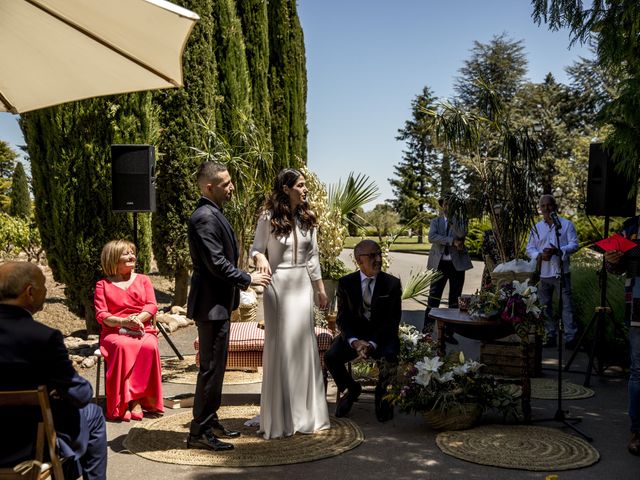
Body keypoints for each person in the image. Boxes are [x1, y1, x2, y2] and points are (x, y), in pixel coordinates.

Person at [187, 161, 271, 451]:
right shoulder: (204, 217)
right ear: (209, 186)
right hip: (210, 306)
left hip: (219, 304)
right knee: (210, 369)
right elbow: (216, 263)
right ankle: (199, 432)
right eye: (226, 183)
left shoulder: (213, 213)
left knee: (217, 367)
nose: (232, 186)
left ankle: (209, 421)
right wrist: (249, 279)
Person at [0, 262, 107, 480]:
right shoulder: (42, 337)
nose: (46, 292)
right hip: (29, 444)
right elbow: (80, 395)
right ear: (30, 292)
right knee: (93, 414)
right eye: (44, 286)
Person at [250, 168, 331, 439]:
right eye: (300, 185)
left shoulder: (308, 219)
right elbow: (255, 249)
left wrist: (320, 290)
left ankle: (306, 414)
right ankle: (280, 418)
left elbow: (313, 259)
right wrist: (260, 259)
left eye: (304, 185)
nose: (305, 189)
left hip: (302, 288)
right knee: (281, 348)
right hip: (277, 286)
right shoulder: (268, 217)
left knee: (303, 348)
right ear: (286, 189)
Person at [324, 239, 402, 422]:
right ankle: (352, 389)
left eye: (379, 254)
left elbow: (392, 321)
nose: (378, 259)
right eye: (372, 255)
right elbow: (342, 318)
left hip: (381, 337)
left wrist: (372, 344)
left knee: (390, 356)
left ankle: (382, 395)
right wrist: (354, 341)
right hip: (355, 336)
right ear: (359, 260)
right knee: (330, 357)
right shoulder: (346, 283)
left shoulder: (392, 284)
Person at [93, 239, 163, 421]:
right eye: (126, 253)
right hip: (115, 331)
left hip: (142, 328)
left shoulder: (143, 280)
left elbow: (151, 305)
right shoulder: (103, 285)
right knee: (123, 347)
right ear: (113, 258)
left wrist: (138, 320)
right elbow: (102, 314)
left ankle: (138, 399)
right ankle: (124, 401)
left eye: (132, 252)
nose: (132, 256)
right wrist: (124, 322)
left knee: (150, 346)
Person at [603, 215, 640, 456]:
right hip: (639, 305)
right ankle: (637, 431)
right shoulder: (632, 227)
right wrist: (611, 260)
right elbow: (614, 267)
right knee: (638, 369)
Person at [525, 194, 579, 349]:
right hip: (543, 273)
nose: (546, 208)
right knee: (545, 306)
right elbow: (530, 249)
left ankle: (571, 338)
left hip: (561, 272)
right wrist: (540, 255)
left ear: (555, 206)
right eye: (543, 206)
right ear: (540, 208)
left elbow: (574, 244)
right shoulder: (536, 228)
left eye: (549, 205)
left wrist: (558, 251)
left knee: (567, 306)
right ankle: (550, 336)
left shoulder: (566, 224)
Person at [423, 197, 473, 343]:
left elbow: (462, 234)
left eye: (451, 205)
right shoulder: (435, 222)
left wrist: (453, 220)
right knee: (433, 299)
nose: (447, 207)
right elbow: (432, 237)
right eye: (445, 204)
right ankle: (426, 333)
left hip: (456, 266)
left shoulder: (461, 221)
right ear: (441, 206)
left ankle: (448, 333)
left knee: (454, 300)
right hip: (439, 265)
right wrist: (451, 241)